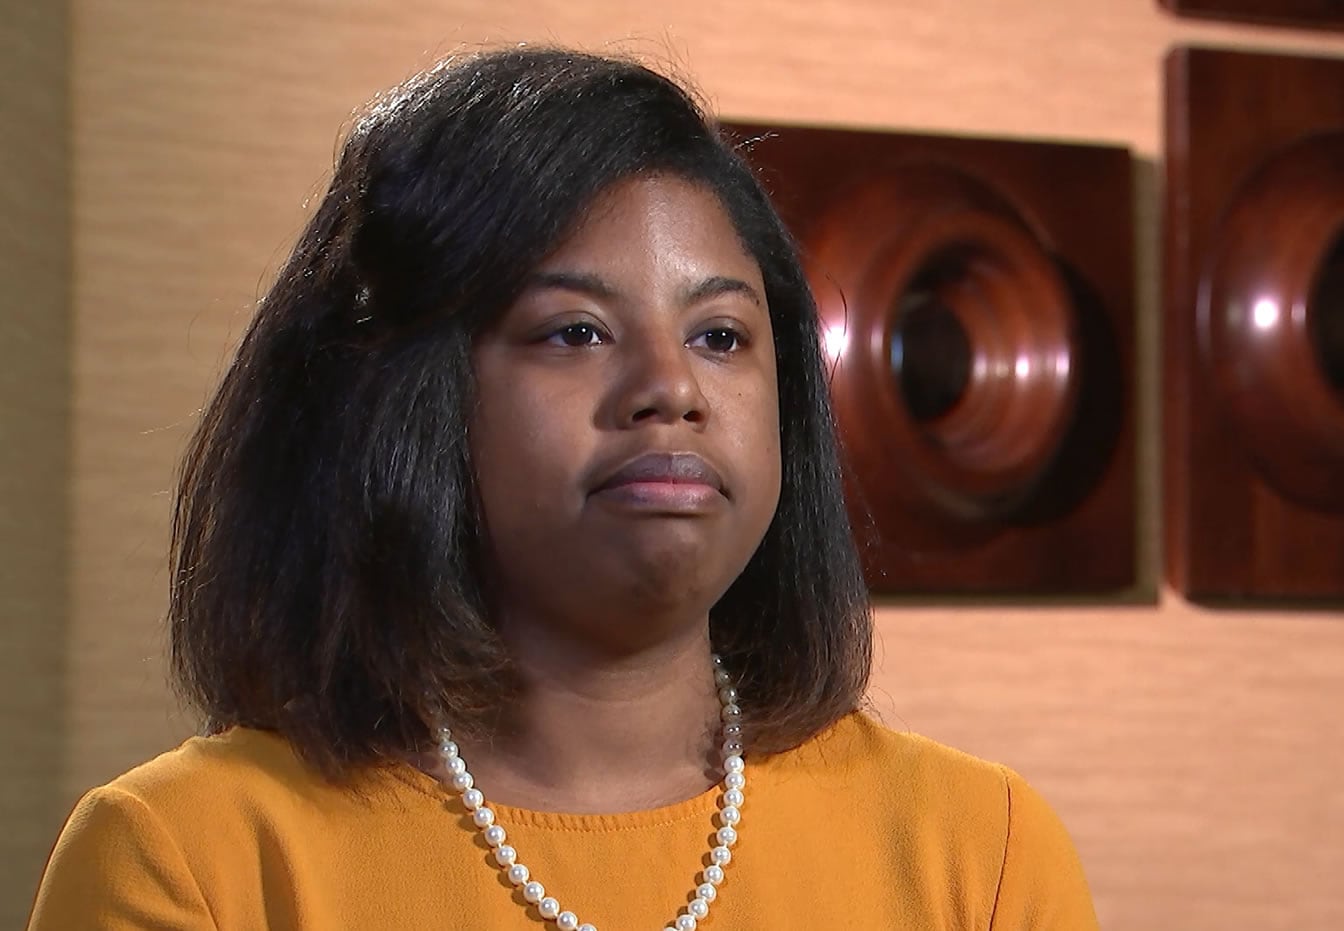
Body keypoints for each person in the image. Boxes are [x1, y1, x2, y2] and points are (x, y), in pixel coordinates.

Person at [27, 46, 1098, 930]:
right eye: (576, 331)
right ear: (411, 395)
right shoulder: (191, 860)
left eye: (721, 335)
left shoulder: (978, 853)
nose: (670, 389)